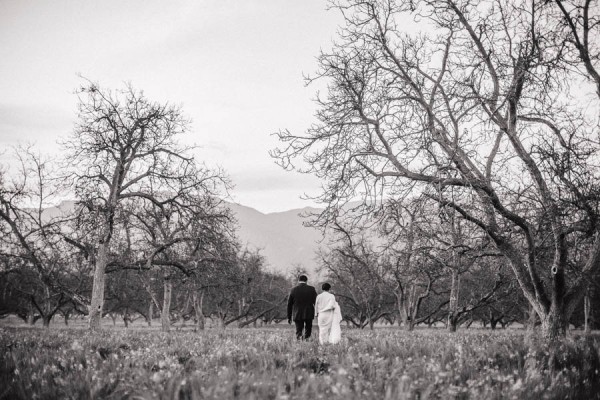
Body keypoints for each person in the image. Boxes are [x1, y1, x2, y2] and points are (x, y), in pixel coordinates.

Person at [287, 274, 318, 340]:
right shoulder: (312, 289)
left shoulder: (293, 290)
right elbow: (316, 302)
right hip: (309, 312)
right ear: (306, 281)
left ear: (298, 281)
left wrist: (289, 317)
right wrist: (318, 313)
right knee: (308, 330)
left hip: (297, 313)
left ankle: (299, 342)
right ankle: (306, 341)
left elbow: (289, 304)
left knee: (299, 331)